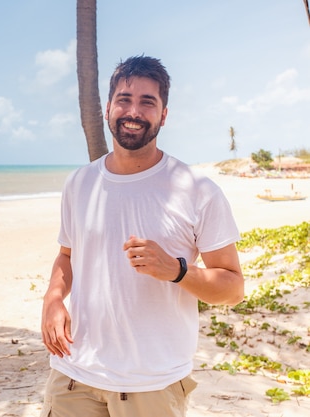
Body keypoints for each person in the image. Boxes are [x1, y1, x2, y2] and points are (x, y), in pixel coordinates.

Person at [40, 55, 245, 417]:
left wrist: (177, 270)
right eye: (124, 99)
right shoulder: (79, 183)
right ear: (108, 108)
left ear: (163, 114)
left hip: (152, 384)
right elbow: (67, 255)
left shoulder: (197, 191)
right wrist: (54, 299)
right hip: (74, 376)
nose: (133, 111)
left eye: (147, 102)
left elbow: (232, 288)